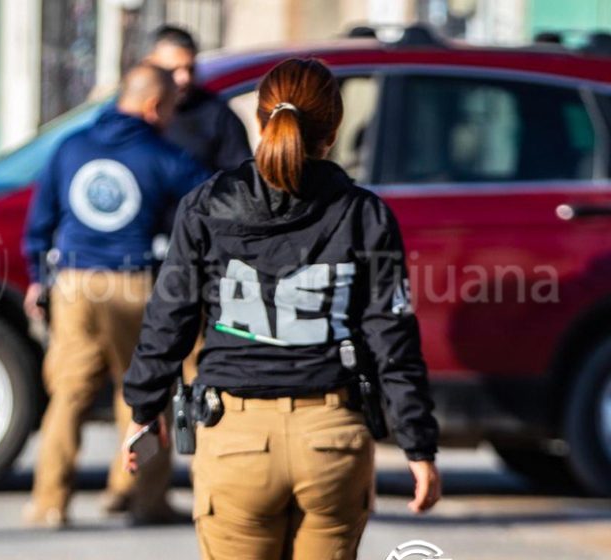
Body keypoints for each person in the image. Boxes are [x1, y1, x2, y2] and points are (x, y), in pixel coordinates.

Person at [122, 58, 442, 559]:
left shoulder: (205, 206)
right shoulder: (365, 214)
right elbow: (391, 337)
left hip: (235, 437)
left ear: (259, 120)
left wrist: (144, 408)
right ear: (332, 131)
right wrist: (418, 446)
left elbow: (170, 318)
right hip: (332, 440)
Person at [22, 63, 209, 527]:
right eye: (167, 108)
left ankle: (49, 502)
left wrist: (35, 275)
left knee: (68, 395)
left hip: (74, 286)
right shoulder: (160, 154)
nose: (169, 117)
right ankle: (142, 498)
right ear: (152, 105)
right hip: (134, 284)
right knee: (147, 391)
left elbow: (40, 220)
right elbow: (206, 200)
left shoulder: (70, 147)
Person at [146, 25, 252, 173]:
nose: (184, 78)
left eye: (190, 69)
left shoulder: (217, 116)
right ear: (149, 64)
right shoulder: (128, 112)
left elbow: (240, 181)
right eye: (173, 69)